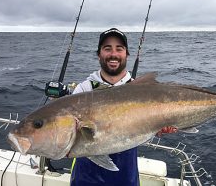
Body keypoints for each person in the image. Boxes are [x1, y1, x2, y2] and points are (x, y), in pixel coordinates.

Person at [70, 28, 177, 186]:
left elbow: (143, 129)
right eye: (107, 48)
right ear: (99, 54)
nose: (113, 54)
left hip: (126, 177)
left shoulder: (140, 90)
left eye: (119, 49)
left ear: (126, 54)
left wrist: (159, 127)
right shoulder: (84, 89)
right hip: (86, 177)